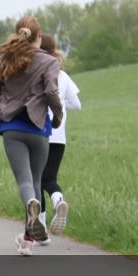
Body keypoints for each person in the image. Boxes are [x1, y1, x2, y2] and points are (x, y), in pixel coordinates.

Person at [0, 17, 64, 257]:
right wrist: (57, 115)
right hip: (39, 128)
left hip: (12, 128)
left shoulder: (7, 60)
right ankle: (28, 240)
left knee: (25, 182)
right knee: (37, 181)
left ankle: (30, 216)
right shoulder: (50, 62)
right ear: (39, 37)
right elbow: (51, 91)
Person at [39, 34, 81, 240]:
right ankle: (58, 201)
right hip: (59, 135)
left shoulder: (37, 72)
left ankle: (41, 231)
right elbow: (77, 104)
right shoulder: (63, 75)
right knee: (50, 179)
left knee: (37, 181)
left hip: (40, 132)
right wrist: (62, 103)